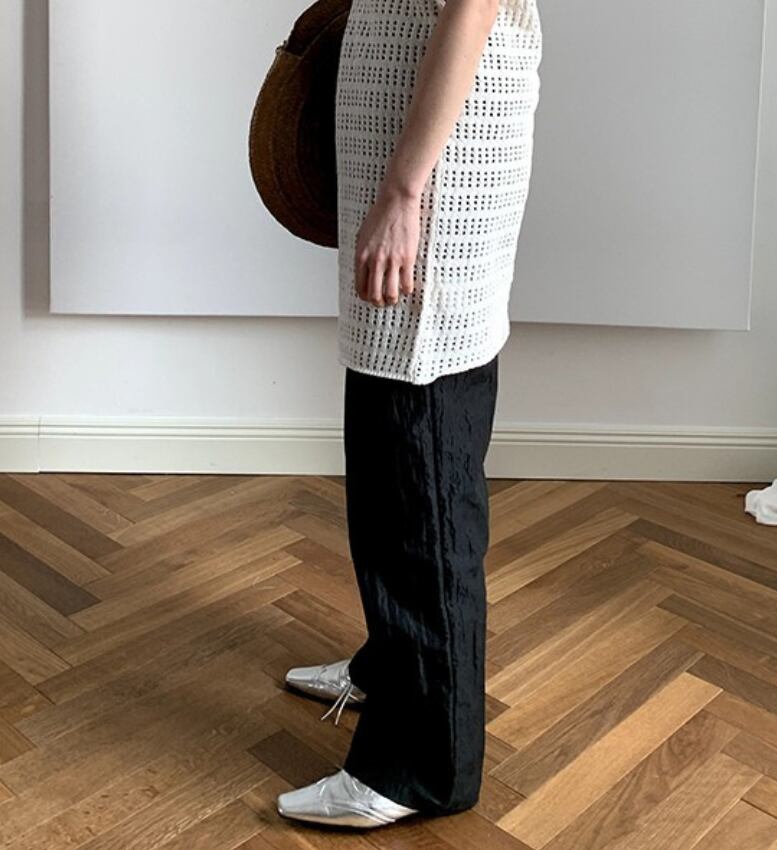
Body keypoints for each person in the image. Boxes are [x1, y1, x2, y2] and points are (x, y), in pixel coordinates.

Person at [276, 0, 542, 829]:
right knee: (392, 452)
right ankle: (394, 667)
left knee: (420, 469)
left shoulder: (418, 186)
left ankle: (421, 767)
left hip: (435, 174)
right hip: (414, 157)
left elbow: (472, 7)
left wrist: (404, 190)